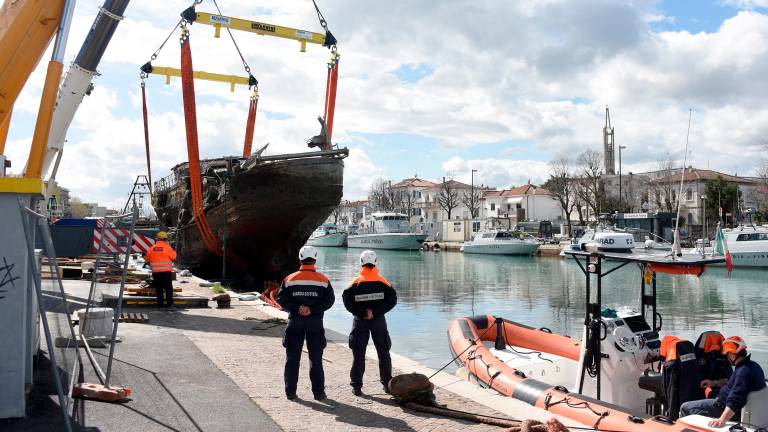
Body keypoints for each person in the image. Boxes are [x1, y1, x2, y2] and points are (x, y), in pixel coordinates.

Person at [277, 245, 335, 401]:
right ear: (315, 259)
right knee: (316, 359)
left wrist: (298, 308)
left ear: (300, 259)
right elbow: (329, 301)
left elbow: (281, 299)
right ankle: (319, 393)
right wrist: (312, 310)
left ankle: (290, 393)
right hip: (315, 323)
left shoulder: (289, 279)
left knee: (292, 359)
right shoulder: (323, 280)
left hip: (295, 322)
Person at [342, 250, 397, 396]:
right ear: (375, 262)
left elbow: (347, 303)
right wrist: (376, 312)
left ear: (361, 262)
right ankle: (387, 384)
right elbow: (392, 300)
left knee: (358, 354)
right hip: (378, 321)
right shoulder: (383, 282)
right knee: (383, 352)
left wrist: (362, 312)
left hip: (360, 322)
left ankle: (357, 387)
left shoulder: (354, 283)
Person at [680, 336, 766, 428]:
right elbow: (733, 383)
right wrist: (714, 383)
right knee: (711, 393)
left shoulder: (742, 373)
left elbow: (736, 400)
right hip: (728, 400)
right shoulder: (753, 366)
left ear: (732, 355)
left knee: (685, 407)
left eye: (727, 355)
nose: (727, 358)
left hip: (723, 406)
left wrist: (722, 420)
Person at [145, 231, 177, 308]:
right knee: (168, 289)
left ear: (157, 239)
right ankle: (169, 305)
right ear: (165, 239)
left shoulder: (151, 249)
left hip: (156, 273)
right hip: (166, 273)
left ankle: (160, 305)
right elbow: (174, 257)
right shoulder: (167, 248)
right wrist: (174, 250)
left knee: (159, 289)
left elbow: (147, 259)